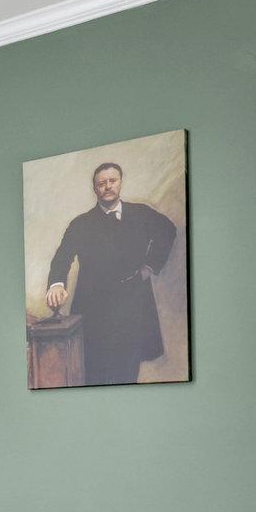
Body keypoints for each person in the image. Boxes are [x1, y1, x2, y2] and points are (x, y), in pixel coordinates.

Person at [43, 160, 178, 385]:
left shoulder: (141, 213)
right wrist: (56, 283)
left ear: (120, 182)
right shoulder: (81, 224)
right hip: (93, 308)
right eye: (101, 183)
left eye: (112, 181)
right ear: (95, 188)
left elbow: (167, 230)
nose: (107, 186)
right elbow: (62, 257)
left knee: (128, 372)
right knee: (94, 374)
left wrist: (150, 266)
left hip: (133, 304)